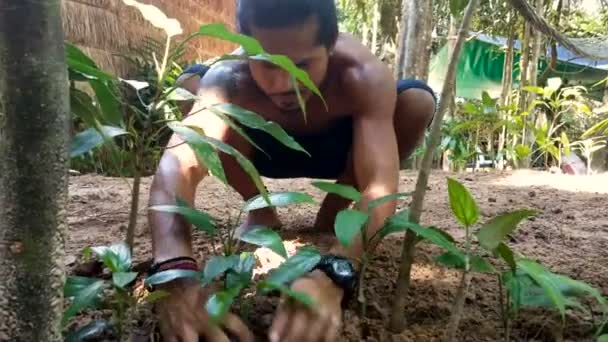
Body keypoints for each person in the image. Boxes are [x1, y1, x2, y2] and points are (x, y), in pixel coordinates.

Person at [147, 0, 437, 341]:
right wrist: (174, 268)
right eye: (266, 64)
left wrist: (336, 271)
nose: (283, 83)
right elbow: (177, 164)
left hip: (338, 152)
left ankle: (333, 210)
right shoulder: (230, 79)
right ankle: (259, 209)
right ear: (246, 45)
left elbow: (379, 186)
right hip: (262, 148)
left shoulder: (361, 75)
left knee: (417, 101)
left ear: (330, 45)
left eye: (301, 64)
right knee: (192, 86)